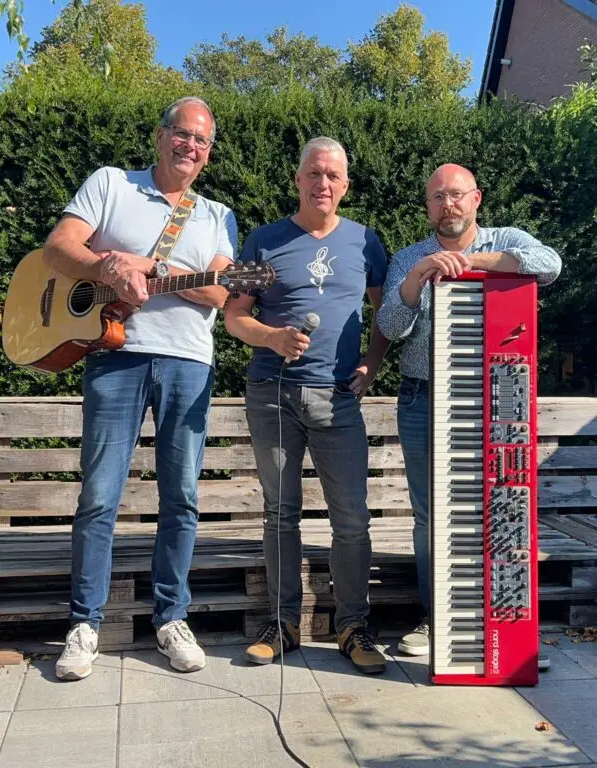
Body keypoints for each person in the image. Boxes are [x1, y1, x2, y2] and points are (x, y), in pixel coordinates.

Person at [42, 96, 238, 680]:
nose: (190, 146)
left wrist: (154, 270)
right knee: (99, 495)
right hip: (114, 355)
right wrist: (106, 268)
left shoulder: (217, 214)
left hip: (189, 363)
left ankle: (172, 618)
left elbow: (223, 292)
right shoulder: (111, 183)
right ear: (160, 135)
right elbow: (58, 247)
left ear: (208, 154)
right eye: (182, 134)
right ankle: (84, 624)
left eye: (201, 141)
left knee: (181, 497)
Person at [376, 163, 562, 657]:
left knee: (499, 507)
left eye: (456, 195)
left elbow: (549, 264)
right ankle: (437, 620)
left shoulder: (507, 239)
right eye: (437, 197)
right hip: (422, 397)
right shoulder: (409, 257)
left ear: (476, 198)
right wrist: (417, 277)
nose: (448, 205)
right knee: (431, 515)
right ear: (428, 206)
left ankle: (505, 632)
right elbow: (390, 327)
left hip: (496, 398)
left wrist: (474, 261)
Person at [224, 137, 392, 675]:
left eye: (333, 176)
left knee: (352, 518)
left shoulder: (366, 241)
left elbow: (386, 313)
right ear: (298, 179)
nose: (323, 183)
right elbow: (234, 316)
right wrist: (271, 338)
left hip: (338, 400)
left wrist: (372, 363)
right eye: (314, 173)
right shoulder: (263, 240)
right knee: (280, 513)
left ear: (346, 185)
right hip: (271, 395)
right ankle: (283, 623)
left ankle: (353, 627)